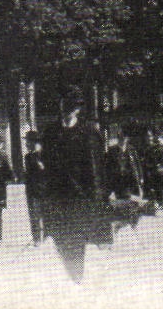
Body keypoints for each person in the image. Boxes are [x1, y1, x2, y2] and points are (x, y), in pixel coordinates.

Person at [41, 98, 108, 283]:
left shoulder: (89, 132)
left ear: (77, 109)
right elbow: (46, 166)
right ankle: (70, 277)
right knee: (60, 238)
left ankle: (76, 278)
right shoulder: (50, 132)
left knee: (77, 240)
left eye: (71, 108)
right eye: (64, 107)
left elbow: (96, 167)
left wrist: (96, 197)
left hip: (80, 197)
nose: (66, 111)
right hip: (57, 197)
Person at [22, 130, 47, 245]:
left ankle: (47, 236)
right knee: (34, 215)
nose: (26, 144)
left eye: (28, 142)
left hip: (45, 189)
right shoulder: (28, 157)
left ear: (35, 142)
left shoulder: (47, 155)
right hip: (32, 190)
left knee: (46, 213)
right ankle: (36, 238)